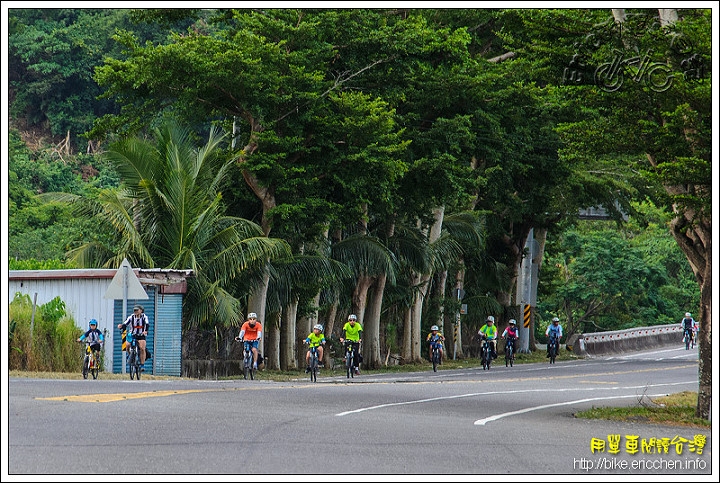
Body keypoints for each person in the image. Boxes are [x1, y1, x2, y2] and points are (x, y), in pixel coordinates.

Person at [118, 305, 149, 371]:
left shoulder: (144, 317)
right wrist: (121, 326)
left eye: (137, 310)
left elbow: (147, 324)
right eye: (134, 310)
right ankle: (130, 355)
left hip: (141, 335)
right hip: (132, 334)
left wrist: (145, 331)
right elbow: (125, 324)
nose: (135, 311)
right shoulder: (131, 317)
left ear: (141, 311)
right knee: (127, 345)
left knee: (142, 348)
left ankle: (142, 365)